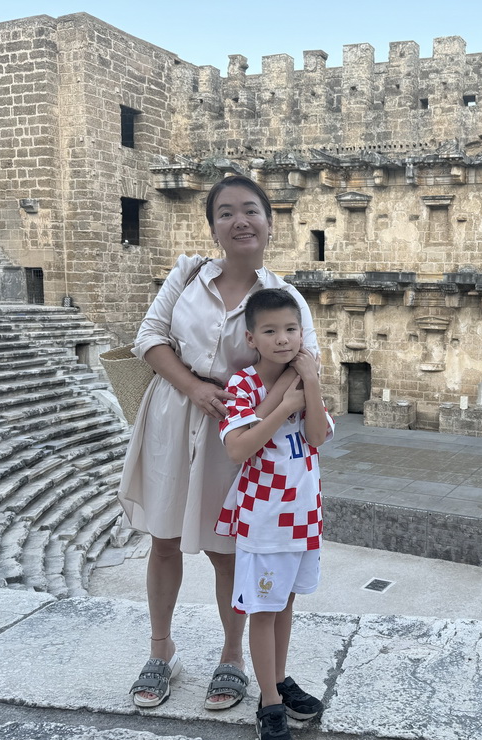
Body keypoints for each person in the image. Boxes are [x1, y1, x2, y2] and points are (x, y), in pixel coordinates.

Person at [118, 175, 318, 710]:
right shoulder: (186, 276)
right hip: (171, 418)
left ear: (270, 223)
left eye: (251, 210)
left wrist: (244, 399)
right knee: (162, 542)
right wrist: (194, 387)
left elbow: (302, 366)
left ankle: (232, 658)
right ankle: (161, 650)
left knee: (227, 550)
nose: (239, 221)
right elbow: (149, 339)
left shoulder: (281, 296)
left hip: (235, 430)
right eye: (225, 212)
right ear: (213, 226)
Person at [215, 288, 332, 740]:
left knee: (283, 604)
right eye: (271, 331)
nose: (283, 339)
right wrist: (284, 405)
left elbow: (319, 437)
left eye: (291, 329)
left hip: (303, 512)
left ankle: (278, 680)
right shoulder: (243, 384)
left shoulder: (307, 374)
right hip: (263, 516)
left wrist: (311, 380)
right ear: (252, 337)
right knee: (263, 610)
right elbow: (239, 447)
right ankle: (268, 705)